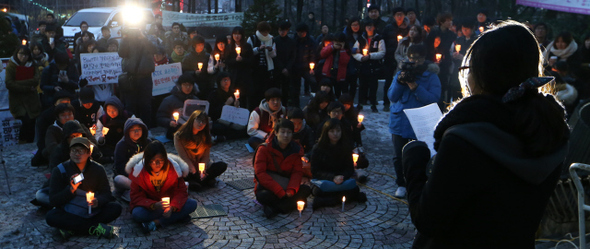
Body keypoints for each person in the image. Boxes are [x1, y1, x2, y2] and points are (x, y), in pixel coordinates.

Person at [402, 20, 569, 248]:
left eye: (469, 69)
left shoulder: (465, 141)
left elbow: (428, 219)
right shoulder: (551, 130)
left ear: (484, 74)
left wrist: (414, 157)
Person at [388, 44, 441, 198]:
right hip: (400, 121)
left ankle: (419, 183)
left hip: (419, 122)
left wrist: (414, 86)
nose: (414, 62)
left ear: (424, 59)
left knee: (419, 156)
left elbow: (433, 99)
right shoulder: (401, 72)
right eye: (411, 58)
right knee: (399, 156)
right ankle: (401, 183)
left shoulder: (431, 76)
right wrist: (399, 81)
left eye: (417, 59)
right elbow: (392, 96)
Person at [46, 137, 122, 239]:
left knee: (116, 208)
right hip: (70, 211)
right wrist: (70, 190)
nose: (77, 154)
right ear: (69, 152)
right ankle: (95, 227)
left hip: (92, 211)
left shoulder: (98, 169)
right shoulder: (60, 170)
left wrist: (97, 201)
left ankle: (71, 228)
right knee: (51, 216)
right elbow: (53, 200)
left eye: (81, 150)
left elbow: (107, 194)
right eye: (74, 150)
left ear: (89, 153)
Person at [127, 141, 197, 233]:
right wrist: (154, 205)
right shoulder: (139, 172)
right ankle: (177, 217)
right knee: (138, 214)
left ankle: (156, 222)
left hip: (170, 205)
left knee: (192, 204)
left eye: (160, 160)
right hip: (151, 208)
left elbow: (181, 191)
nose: (157, 164)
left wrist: (172, 207)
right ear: (147, 161)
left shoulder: (174, 169)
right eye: (152, 161)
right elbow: (136, 197)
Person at [254, 118, 312, 218]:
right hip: (270, 187)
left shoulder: (296, 150)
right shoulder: (264, 149)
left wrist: (291, 190)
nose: (286, 135)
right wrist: (279, 191)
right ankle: (287, 205)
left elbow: (297, 172)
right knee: (262, 195)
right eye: (283, 132)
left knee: (306, 190)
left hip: (287, 185)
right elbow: (260, 173)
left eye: (289, 132)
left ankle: (274, 208)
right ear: (276, 132)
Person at [310, 118, 367, 209]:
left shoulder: (346, 147)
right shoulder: (318, 148)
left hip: (341, 180)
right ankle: (338, 199)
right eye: (332, 131)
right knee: (318, 191)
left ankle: (329, 201)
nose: (335, 134)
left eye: (338, 131)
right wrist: (332, 177)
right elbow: (315, 171)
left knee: (355, 189)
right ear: (326, 132)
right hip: (325, 180)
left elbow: (349, 168)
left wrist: (341, 177)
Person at [174, 111, 228, 191]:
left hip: (200, 167)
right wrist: (193, 169)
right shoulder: (179, 136)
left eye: (204, 121)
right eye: (198, 120)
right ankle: (203, 181)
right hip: (188, 167)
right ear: (192, 120)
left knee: (222, 165)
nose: (201, 123)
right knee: (180, 173)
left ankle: (198, 182)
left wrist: (202, 170)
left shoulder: (205, 136)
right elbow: (183, 157)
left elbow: (206, 157)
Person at [118, 27, 156, 127]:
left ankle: (146, 129)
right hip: (131, 77)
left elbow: (154, 49)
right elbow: (121, 53)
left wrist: (143, 37)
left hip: (145, 77)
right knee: (130, 105)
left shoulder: (149, 38)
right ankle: (130, 128)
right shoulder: (127, 40)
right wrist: (125, 38)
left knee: (145, 105)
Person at [5, 45, 41, 143]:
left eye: (26, 55)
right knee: (26, 120)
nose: (23, 57)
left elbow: (35, 80)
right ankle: (22, 141)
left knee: (32, 121)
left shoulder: (32, 65)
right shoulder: (11, 67)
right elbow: (9, 83)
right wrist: (27, 87)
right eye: (21, 54)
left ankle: (29, 143)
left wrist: (19, 82)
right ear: (17, 54)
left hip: (31, 100)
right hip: (18, 100)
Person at [113, 118, 151, 201]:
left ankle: (140, 193)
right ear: (127, 132)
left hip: (146, 176)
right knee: (119, 179)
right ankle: (131, 192)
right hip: (129, 177)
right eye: (132, 130)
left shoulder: (148, 142)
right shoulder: (121, 145)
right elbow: (119, 167)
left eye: (139, 129)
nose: (136, 132)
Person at [353, 19, 385, 112]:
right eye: (367, 26)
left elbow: (382, 52)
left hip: (374, 66)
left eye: (371, 26)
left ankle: (373, 104)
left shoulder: (379, 38)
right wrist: (361, 58)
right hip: (363, 66)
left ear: (374, 27)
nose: (369, 28)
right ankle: (360, 103)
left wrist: (370, 56)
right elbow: (354, 51)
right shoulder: (361, 39)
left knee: (373, 86)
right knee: (362, 85)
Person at [156, 73, 200, 139]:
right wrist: (170, 122)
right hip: (176, 127)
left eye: (190, 85)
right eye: (185, 85)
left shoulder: (196, 100)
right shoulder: (169, 100)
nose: (188, 87)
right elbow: (160, 118)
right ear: (179, 86)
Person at [208, 72, 246, 141]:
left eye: (228, 80)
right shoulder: (214, 94)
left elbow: (241, 112)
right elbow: (212, 112)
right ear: (219, 82)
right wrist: (226, 104)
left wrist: (238, 106)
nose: (226, 82)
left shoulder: (234, 94)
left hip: (233, 120)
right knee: (220, 128)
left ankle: (223, 138)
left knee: (245, 129)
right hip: (220, 121)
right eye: (224, 80)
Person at [248, 21, 277, 106]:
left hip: (267, 69)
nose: (265, 34)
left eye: (267, 32)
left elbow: (274, 55)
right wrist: (258, 49)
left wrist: (270, 50)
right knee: (256, 91)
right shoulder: (253, 38)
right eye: (264, 32)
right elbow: (249, 53)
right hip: (255, 69)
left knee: (266, 90)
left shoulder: (271, 39)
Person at [226, 26, 254, 109]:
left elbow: (251, 60)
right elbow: (227, 61)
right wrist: (235, 60)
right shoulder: (229, 47)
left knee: (244, 98)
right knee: (234, 97)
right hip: (233, 75)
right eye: (235, 34)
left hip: (244, 76)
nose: (236, 36)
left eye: (238, 34)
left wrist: (242, 60)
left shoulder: (247, 46)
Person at [292, 23, 317, 106]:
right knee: (295, 88)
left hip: (306, 67)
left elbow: (313, 54)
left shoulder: (310, 41)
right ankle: (296, 106)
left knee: (313, 82)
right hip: (295, 67)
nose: (301, 34)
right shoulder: (293, 40)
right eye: (300, 32)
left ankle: (313, 102)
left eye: (303, 32)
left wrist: (312, 68)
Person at [320, 33, 351, 98]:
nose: (337, 43)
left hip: (340, 73)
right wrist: (332, 47)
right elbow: (322, 54)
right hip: (329, 72)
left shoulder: (346, 50)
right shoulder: (330, 46)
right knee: (328, 92)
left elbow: (345, 62)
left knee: (338, 92)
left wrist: (342, 50)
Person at [274, 21, 296, 105]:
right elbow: (274, 56)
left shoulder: (291, 42)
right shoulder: (275, 40)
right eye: (280, 30)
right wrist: (282, 68)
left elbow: (293, 56)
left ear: (287, 30)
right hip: (278, 68)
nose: (282, 32)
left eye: (284, 30)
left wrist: (287, 68)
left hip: (287, 68)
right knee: (276, 88)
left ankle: (284, 105)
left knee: (286, 89)